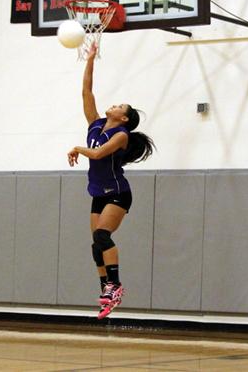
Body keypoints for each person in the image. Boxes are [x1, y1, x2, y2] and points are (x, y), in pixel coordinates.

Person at [67, 43, 155, 319]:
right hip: (98, 192)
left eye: (119, 106)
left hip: (117, 192)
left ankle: (116, 285)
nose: (113, 104)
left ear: (124, 118)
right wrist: (90, 59)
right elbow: (86, 91)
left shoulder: (121, 136)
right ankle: (105, 288)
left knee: (103, 236)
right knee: (96, 244)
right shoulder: (94, 124)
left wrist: (78, 149)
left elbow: (97, 153)